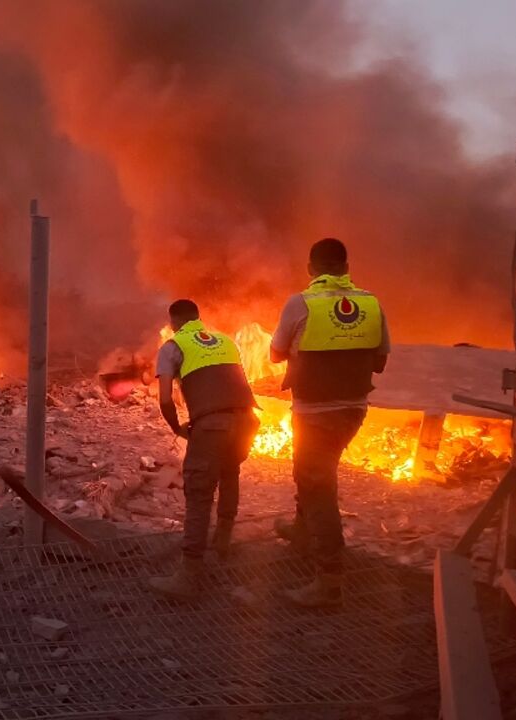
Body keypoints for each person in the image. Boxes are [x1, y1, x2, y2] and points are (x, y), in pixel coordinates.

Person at [269, 238, 390, 607]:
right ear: (345, 266)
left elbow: (274, 354)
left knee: (318, 486)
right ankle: (303, 532)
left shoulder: (301, 302)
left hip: (314, 412)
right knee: (309, 472)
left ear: (311, 267)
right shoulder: (371, 303)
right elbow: (380, 361)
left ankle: (329, 581)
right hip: (354, 410)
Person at [148, 299, 260, 600]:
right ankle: (223, 541)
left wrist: (177, 428)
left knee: (198, 492)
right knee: (229, 470)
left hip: (213, 424)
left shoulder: (172, 347)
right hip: (247, 419)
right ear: (199, 318)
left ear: (173, 323)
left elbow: (166, 400)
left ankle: (189, 575)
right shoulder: (225, 340)